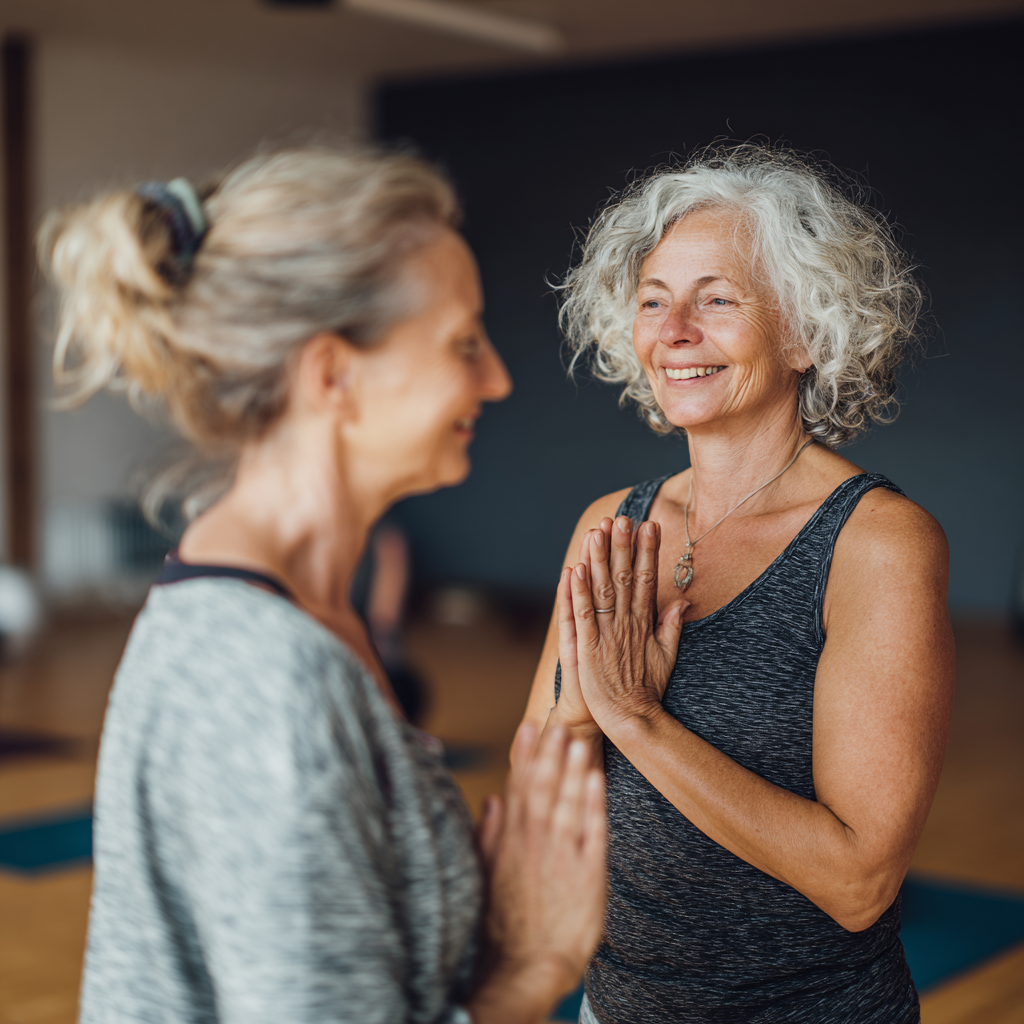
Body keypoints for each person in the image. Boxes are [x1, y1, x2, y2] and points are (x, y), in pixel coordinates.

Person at [41, 147, 607, 1024]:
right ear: (333, 376)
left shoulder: (293, 615)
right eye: (462, 342)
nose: (495, 378)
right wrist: (532, 965)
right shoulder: (272, 681)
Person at [520, 145, 955, 1023]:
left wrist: (637, 719)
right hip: (617, 1007)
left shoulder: (875, 544)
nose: (674, 331)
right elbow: (540, 782)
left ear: (805, 330)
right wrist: (589, 703)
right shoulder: (614, 525)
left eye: (716, 300)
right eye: (654, 301)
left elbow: (859, 881)